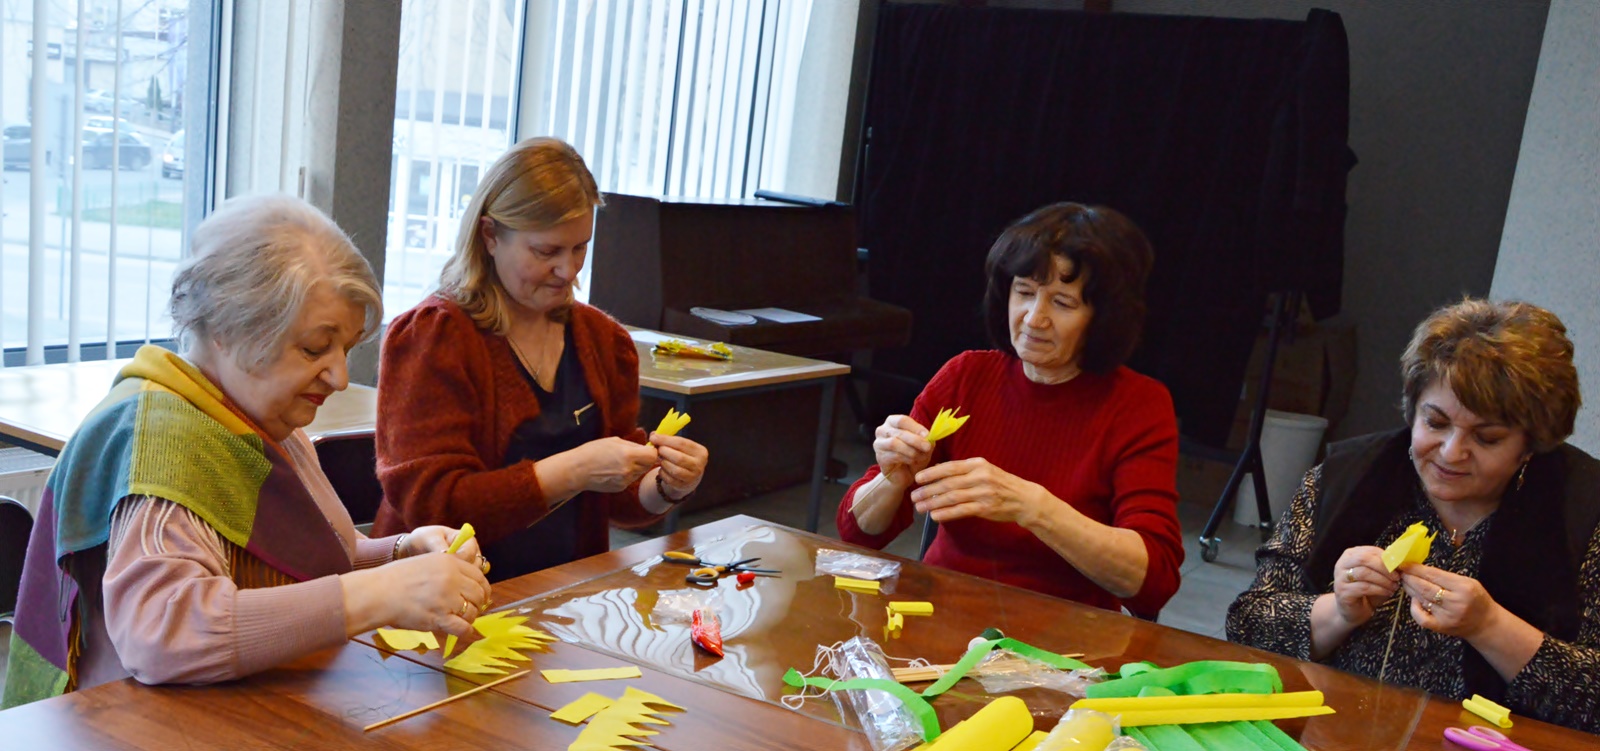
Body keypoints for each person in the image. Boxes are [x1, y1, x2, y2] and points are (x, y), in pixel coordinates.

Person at [2, 195, 490, 709]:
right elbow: (161, 631)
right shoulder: (166, 443)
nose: (340, 376)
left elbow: (303, 564)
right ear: (229, 328)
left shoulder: (260, 418)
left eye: (346, 349)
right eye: (314, 348)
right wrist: (380, 593)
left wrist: (399, 554)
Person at [1227, 299, 1600, 732]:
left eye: (1487, 438)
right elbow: (1247, 627)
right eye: (1435, 423)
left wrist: (1490, 626)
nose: (1451, 453)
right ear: (1413, 409)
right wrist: (1337, 613)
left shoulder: (1583, 514)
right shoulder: (1344, 480)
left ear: (1531, 444)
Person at [373, 137, 708, 581]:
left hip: (563, 592)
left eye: (580, 248)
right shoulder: (435, 337)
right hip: (443, 595)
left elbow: (619, 497)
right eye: (546, 252)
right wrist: (575, 469)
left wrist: (666, 484)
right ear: (490, 236)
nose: (568, 270)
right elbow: (433, 506)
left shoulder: (604, 341)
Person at [835, 202, 1183, 617]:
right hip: (940, 613)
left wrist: (1032, 507)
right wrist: (892, 479)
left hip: (1065, 635)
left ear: (1103, 317)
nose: (1034, 319)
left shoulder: (1138, 405)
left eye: (1063, 302)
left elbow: (1154, 581)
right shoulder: (966, 375)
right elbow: (857, 533)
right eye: (1025, 292)